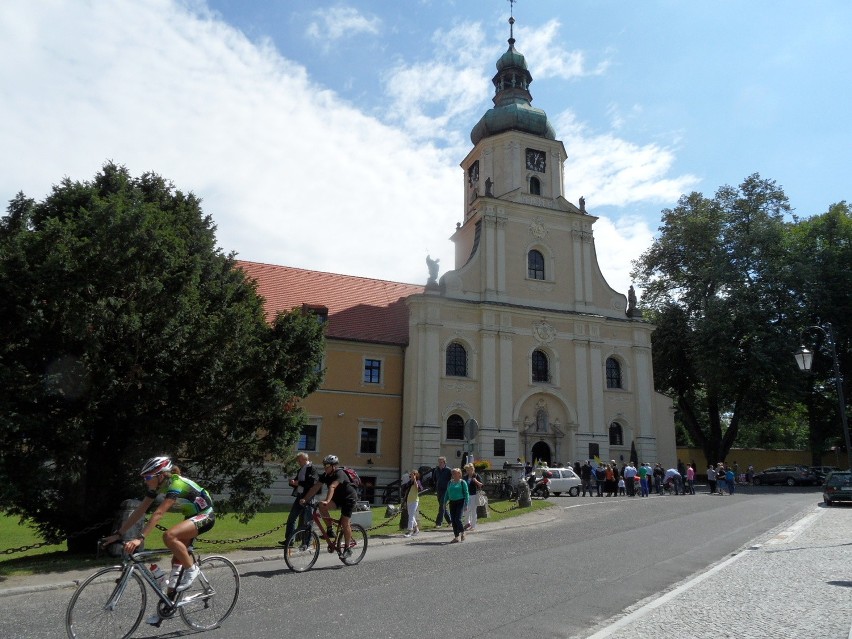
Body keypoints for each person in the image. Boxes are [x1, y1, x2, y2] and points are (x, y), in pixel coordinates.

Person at [102, 457, 214, 625]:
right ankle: (167, 608)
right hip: (191, 516)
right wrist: (119, 534)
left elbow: (158, 514)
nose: (145, 481)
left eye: (148, 477)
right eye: (144, 477)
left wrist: (140, 538)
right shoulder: (158, 486)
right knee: (176, 566)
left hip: (206, 515)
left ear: (161, 475)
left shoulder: (176, 484)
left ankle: (192, 569)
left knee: (169, 536)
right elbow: (140, 511)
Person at [299, 454, 357, 558]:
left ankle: (348, 549)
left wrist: (327, 500)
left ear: (334, 466)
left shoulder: (340, 473)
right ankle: (330, 529)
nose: (325, 467)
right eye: (324, 465)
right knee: (321, 506)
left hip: (349, 498)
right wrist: (305, 499)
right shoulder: (325, 475)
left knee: (345, 523)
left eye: (327, 465)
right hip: (338, 499)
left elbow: (332, 486)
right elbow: (315, 487)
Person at [279, 452, 319, 547]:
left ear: (305, 459)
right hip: (300, 496)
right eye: (298, 460)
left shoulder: (312, 469)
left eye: (300, 460)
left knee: (307, 520)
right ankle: (289, 540)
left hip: (308, 497)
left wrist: (298, 483)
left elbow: (311, 483)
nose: (298, 462)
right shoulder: (301, 469)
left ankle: (306, 543)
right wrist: (292, 482)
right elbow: (298, 482)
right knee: (291, 518)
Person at [445, 467, 469, 543]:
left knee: (457, 519)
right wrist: (444, 502)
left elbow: (466, 493)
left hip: (460, 502)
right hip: (452, 502)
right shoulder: (450, 482)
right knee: (453, 520)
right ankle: (456, 537)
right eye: (452, 473)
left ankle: (463, 532)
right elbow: (447, 493)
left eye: (455, 473)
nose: (453, 474)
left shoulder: (462, 482)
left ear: (459, 474)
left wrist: (466, 504)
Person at [463, 463, 483, 531]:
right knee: (466, 510)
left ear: (473, 469)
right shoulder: (465, 477)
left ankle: (473, 525)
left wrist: (476, 481)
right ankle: (467, 523)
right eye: (467, 470)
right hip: (466, 495)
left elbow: (481, 485)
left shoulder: (476, 476)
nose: (468, 471)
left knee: (473, 511)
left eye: (469, 470)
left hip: (474, 495)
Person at [433, 456, 452, 527]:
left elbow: (452, 480)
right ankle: (450, 521)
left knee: (441, 505)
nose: (440, 464)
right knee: (443, 506)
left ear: (444, 462)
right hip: (439, 490)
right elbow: (434, 479)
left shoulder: (448, 470)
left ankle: (438, 523)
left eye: (441, 462)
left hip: (446, 490)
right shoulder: (436, 470)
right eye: (439, 462)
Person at [402, 470, 422, 537]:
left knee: (410, 516)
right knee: (411, 516)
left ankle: (409, 531)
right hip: (409, 500)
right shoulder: (409, 482)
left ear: (416, 475)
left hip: (414, 501)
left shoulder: (418, 482)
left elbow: (418, 488)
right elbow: (405, 488)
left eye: (413, 474)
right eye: (410, 474)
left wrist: (415, 480)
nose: (411, 476)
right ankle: (416, 529)